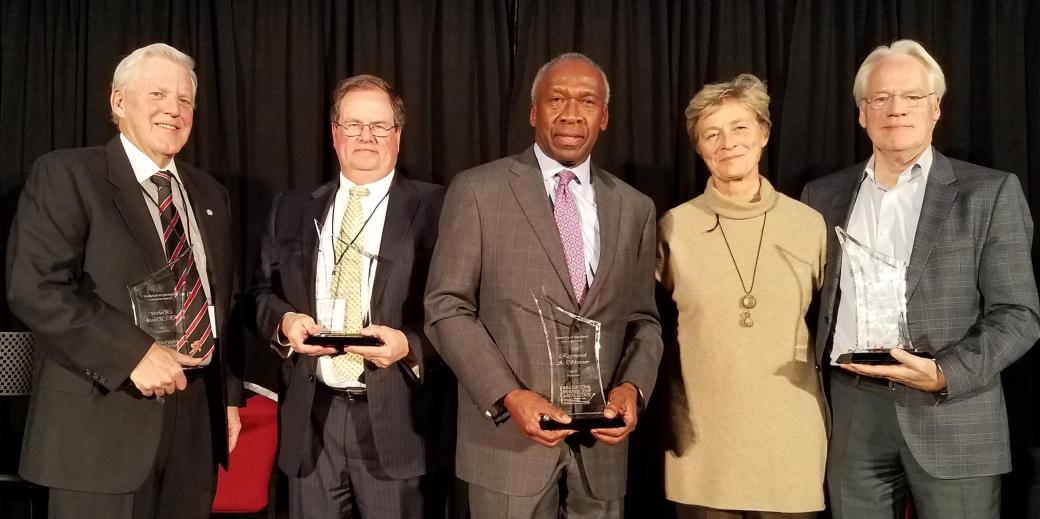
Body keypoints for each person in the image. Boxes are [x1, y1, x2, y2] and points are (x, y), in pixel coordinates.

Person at [801, 39, 1040, 519]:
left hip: (953, 409)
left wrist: (944, 373)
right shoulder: (821, 196)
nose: (896, 110)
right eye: (880, 99)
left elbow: (1019, 315)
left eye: (911, 97)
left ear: (935, 108)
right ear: (862, 114)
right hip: (852, 410)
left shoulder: (989, 193)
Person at [6, 43, 243, 519]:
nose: (173, 109)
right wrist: (133, 354)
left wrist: (229, 397)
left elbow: (222, 301)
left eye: (184, 100)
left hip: (194, 424)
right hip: (99, 424)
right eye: (157, 93)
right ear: (118, 102)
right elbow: (36, 287)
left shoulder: (209, 194)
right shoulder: (69, 173)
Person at [424, 52, 663, 518]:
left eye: (587, 101)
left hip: (602, 452)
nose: (571, 113)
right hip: (508, 448)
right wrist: (509, 396)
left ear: (605, 116)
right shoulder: (478, 191)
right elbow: (446, 307)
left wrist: (633, 388)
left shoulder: (636, 208)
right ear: (534, 112)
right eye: (556, 99)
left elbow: (643, 321)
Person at [250, 74, 453, 519]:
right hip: (312, 422)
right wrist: (285, 323)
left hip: (401, 422)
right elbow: (261, 294)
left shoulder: (441, 208)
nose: (366, 137)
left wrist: (409, 345)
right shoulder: (292, 207)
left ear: (398, 136)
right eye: (354, 124)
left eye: (380, 126)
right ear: (334, 134)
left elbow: (461, 308)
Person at [657, 74, 826, 519]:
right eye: (711, 133)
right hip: (702, 447)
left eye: (740, 128)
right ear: (699, 147)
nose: (727, 142)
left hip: (789, 446)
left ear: (765, 133)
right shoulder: (672, 228)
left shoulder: (810, 225)